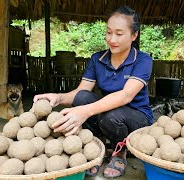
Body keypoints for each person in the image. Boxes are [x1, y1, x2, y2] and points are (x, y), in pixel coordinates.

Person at [33, 6, 153, 178]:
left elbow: (126, 95)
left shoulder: (142, 60)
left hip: (137, 119)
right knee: (83, 98)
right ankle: (98, 148)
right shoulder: (98, 59)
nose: (112, 39)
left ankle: (120, 152)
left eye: (119, 34)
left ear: (134, 36)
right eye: (109, 32)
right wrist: (58, 97)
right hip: (108, 113)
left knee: (110, 116)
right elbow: (81, 91)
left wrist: (84, 111)